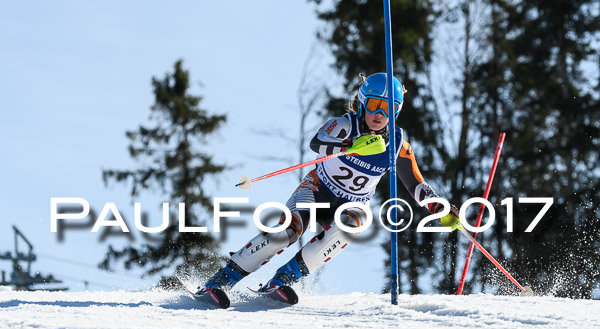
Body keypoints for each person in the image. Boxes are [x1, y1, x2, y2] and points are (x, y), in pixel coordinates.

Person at [196, 72, 461, 308]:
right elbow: (317, 142)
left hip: (352, 204)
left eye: (388, 108)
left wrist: (438, 206)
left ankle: (282, 279)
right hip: (318, 190)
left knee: (353, 225)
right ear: (362, 102)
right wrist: (349, 146)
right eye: (374, 105)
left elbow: (415, 183)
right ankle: (220, 281)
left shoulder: (399, 143)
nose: (379, 114)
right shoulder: (345, 124)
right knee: (288, 231)